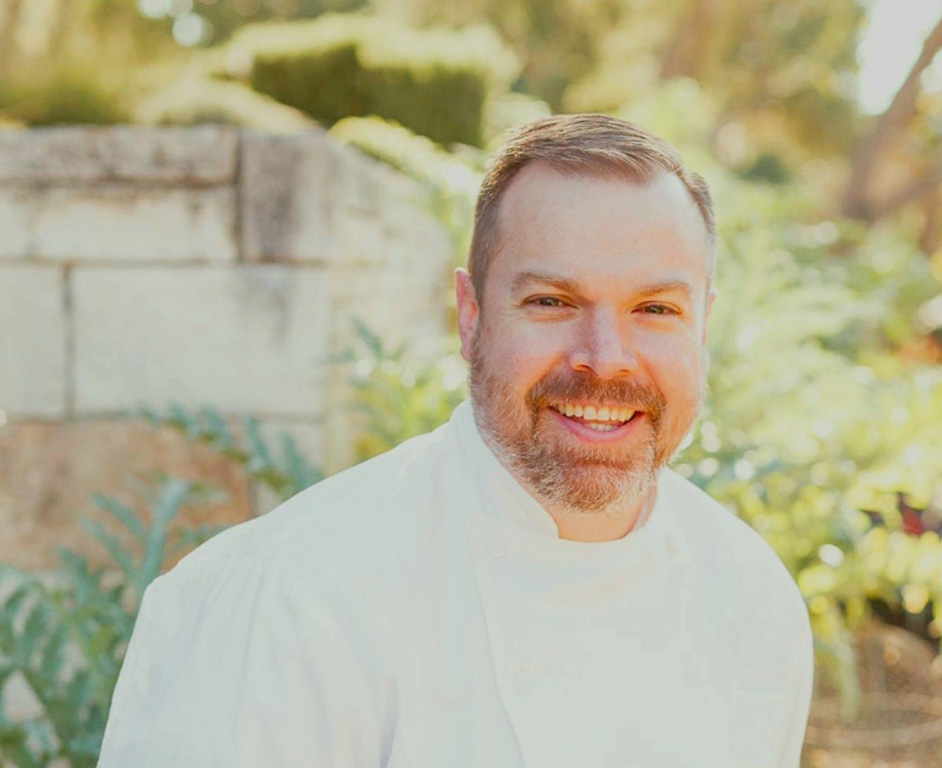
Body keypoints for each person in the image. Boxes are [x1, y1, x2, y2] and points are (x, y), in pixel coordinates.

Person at [97, 114, 813, 768]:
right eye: (552, 302)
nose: (606, 357)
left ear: (702, 328)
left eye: (655, 309)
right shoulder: (287, 599)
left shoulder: (750, 600)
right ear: (469, 318)